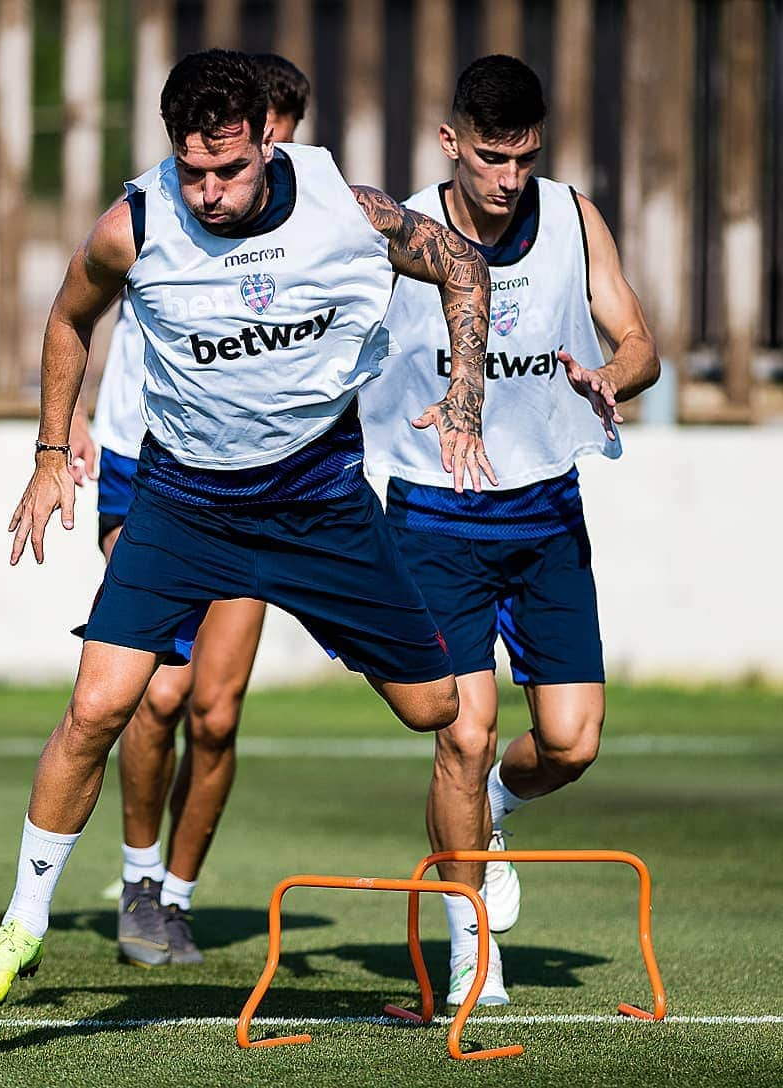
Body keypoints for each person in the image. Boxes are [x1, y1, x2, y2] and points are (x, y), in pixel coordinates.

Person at [0, 48, 496, 1011]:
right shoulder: (136, 225)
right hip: (184, 503)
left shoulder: (348, 211)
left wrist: (464, 395)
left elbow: (460, 262)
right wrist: (48, 451)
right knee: (99, 707)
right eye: (192, 170)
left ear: (267, 145)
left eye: (229, 170)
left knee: (438, 711)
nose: (208, 192)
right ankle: (23, 924)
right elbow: (68, 316)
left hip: (319, 500)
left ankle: (478, 855)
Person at [359, 54, 659, 1007]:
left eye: (524, 159)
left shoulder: (572, 216)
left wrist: (617, 380)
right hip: (436, 515)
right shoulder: (402, 229)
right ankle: (469, 954)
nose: (508, 179)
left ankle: (488, 810)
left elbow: (638, 339)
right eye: (491, 158)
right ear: (453, 143)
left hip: (546, 511)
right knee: (463, 733)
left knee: (571, 745)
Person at [89, 53, 310, 969]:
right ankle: (138, 881)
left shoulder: (307, 219)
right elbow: (77, 311)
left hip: (258, 482)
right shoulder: (155, 209)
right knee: (162, 691)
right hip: (146, 468)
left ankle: (176, 899)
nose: (246, 181)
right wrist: (53, 444)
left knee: (215, 711)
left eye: (274, 153)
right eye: (256, 150)